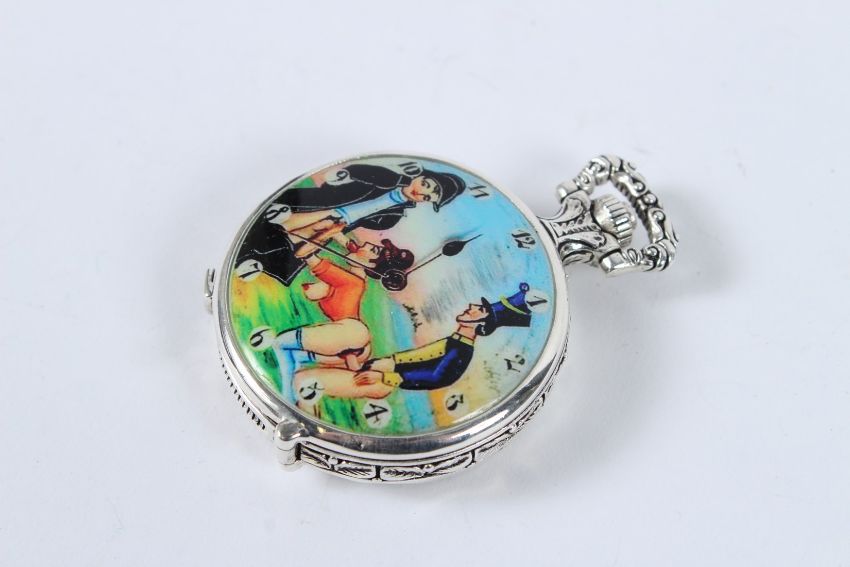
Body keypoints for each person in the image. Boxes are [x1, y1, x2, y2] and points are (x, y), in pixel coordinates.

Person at [281, 283, 534, 400]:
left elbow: (436, 377)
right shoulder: (454, 342)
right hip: (378, 371)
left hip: (380, 383)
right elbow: (414, 357)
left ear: (482, 325)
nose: (471, 306)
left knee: (303, 381)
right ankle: (296, 356)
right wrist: (382, 362)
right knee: (356, 341)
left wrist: (385, 376)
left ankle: (293, 375)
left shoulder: (461, 352)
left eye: (480, 309)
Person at [235, 161, 466, 286]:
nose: (421, 193)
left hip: (333, 224)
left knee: (288, 250)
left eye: (429, 197)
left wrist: (343, 239)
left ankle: (247, 259)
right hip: (315, 205)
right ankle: (246, 253)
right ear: (420, 176)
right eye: (426, 185)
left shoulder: (393, 216)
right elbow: (353, 171)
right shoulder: (386, 177)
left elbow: (353, 224)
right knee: (273, 230)